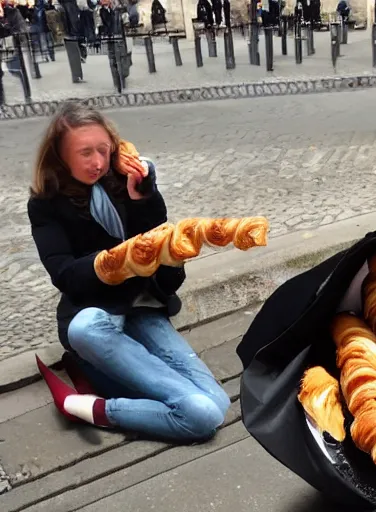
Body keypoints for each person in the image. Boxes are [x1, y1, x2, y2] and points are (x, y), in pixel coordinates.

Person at [28, 101, 231, 442]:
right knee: (84, 328)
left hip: (144, 310)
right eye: (85, 153)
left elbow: (167, 273)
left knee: (213, 407)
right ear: (61, 156)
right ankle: (99, 370)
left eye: (103, 151)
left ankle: (94, 409)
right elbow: (63, 273)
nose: (97, 162)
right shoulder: (46, 202)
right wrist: (118, 260)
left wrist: (145, 205)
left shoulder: (132, 184)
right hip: (96, 318)